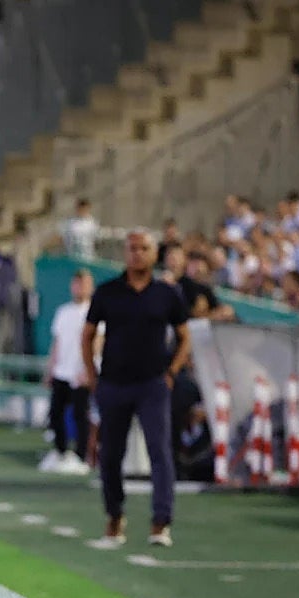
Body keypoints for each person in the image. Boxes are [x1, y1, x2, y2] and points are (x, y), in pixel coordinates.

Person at [82, 230, 191, 548]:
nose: (137, 254)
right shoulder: (107, 292)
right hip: (113, 383)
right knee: (110, 455)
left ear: (154, 254)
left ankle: (161, 523)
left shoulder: (167, 294)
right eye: (132, 249)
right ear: (125, 254)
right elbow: (87, 334)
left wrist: (171, 371)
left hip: (152, 384)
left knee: (160, 452)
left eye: (144, 248)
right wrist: (92, 375)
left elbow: (184, 336)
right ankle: (114, 518)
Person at [40, 269, 93, 474]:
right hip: (62, 371)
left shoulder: (93, 312)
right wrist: (50, 369)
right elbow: (57, 342)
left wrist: (89, 370)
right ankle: (61, 452)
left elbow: (97, 342)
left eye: (84, 284)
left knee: (81, 415)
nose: (80, 288)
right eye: (77, 284)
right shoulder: (63, 311)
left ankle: (81, 457)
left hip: (80, 373)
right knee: (55, 414)